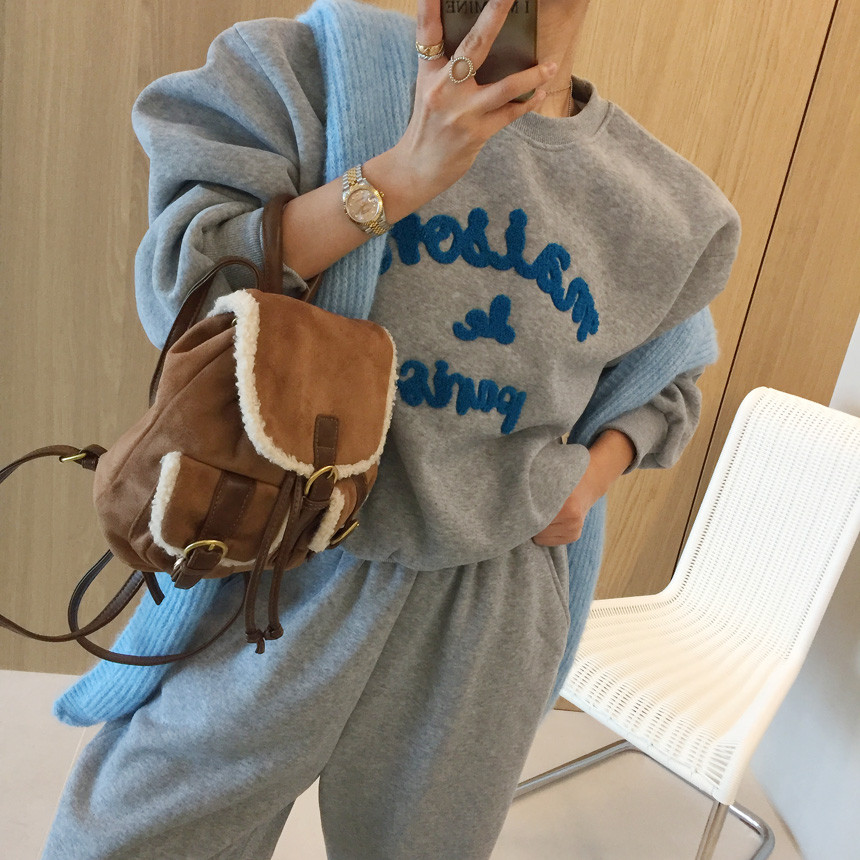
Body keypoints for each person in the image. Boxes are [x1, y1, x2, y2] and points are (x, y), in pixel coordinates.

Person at [42, 0, 741, 856]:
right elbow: (186, 291)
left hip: (486, 603)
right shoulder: (305, 72)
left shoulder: (663, 204)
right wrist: (402, 175)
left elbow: (668, 376)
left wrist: (591, 480)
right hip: (283, 560)